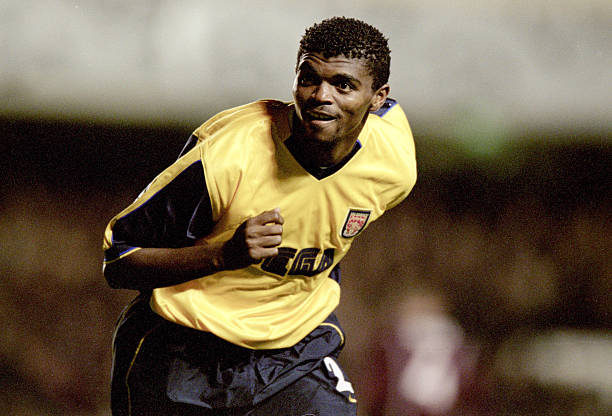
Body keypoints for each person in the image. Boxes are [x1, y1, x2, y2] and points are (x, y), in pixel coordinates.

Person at [102, 16, 417, 415]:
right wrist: (223, 255)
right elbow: (118, 262)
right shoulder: (226, 158)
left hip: (292, 355)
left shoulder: (395, 163)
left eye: (343, 84)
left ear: (378, 98)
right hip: (183, 353)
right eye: (309, 77)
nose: (322, 95)